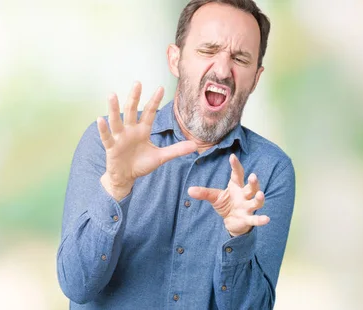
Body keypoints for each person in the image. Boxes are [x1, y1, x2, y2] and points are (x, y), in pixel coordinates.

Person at [56, 0, 295, 309]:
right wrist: (115, 187)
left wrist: (239, 236)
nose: (222, 70)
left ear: (255, 79)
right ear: (175, 59)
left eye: (240, 58)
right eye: (208, 51)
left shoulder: (271, 170)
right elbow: (76, 284)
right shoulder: (108, 143)